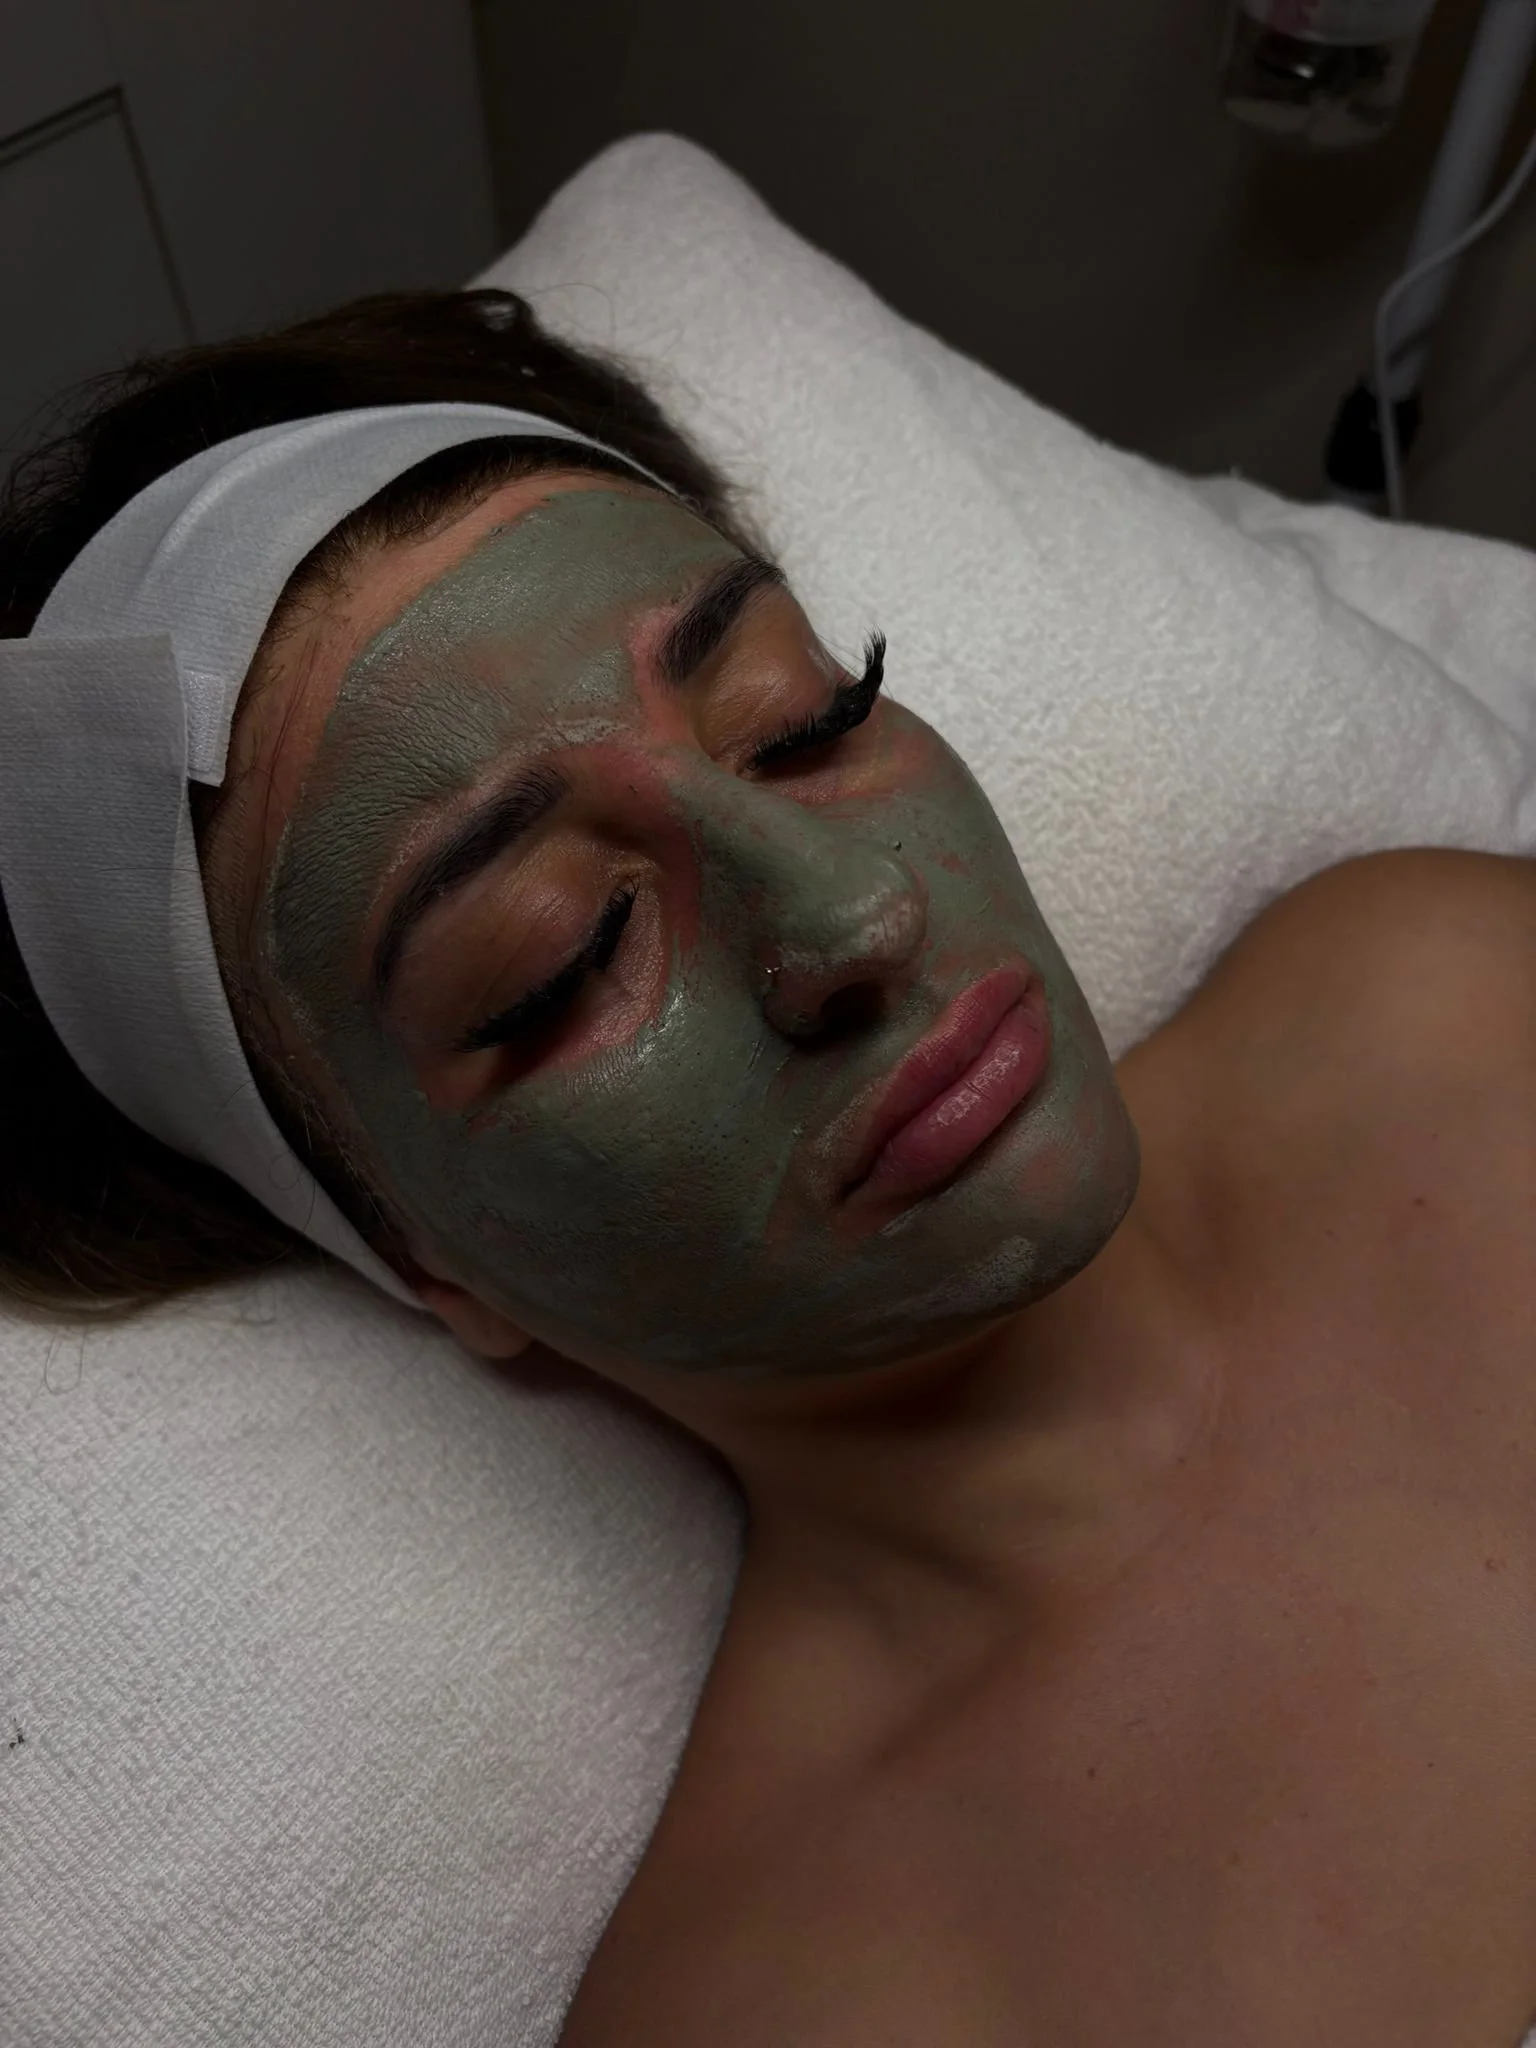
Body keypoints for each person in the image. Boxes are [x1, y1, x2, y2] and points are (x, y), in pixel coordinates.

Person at [1, 292, 1532, 2048]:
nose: (854, 914)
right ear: (421, 1258)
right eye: (567, 956)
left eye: (803, 718)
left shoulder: (1436, 994)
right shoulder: (788, 2001)